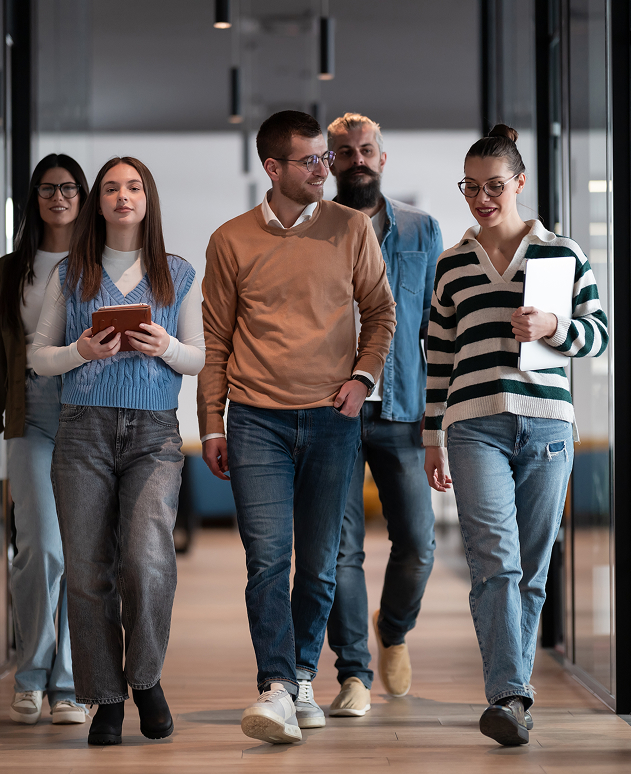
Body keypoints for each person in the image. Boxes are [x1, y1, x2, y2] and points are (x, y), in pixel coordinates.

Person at [198, 110, 396, 744]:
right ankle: (277, 685)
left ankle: (306, 673)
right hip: (256, 420)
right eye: (310, 160)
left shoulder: (351, 228)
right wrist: (211, 423)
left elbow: (381, 313)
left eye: (324, 157)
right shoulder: (231, 239)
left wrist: (362, 379)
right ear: (273, 168)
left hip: (332, 420)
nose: (325, 167)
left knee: (317, 565)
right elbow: (215, 339)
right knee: (267, 560)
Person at [423, 125, 608, 746]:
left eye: (493, 186)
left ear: (519, 184)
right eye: (471, 187)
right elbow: (439, 358)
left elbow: (599, 335)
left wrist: (554, 324)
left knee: (531, 570)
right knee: (496, 562)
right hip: (474, 426)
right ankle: (507, 693)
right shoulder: (452, 264)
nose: (481, 197)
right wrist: (430, 437)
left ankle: (515, 699)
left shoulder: (564, 254)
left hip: (549, 425)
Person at [30, 156, 203, 746]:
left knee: (146, 560)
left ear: (147, 199)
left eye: (132, 187)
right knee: (86, 570)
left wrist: (166, 346)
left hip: (154, 435)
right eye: (110, 188)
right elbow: (38, 355)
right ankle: (105, 698)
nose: (122, 196)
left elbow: (201, 357)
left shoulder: (177, 273)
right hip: (82, 432)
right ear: (98, 202)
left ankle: (146, 679)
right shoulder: (71, 273)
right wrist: (79, 351)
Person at [323, 113, 442, 716]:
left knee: (419, 543)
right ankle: (353, 674)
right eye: (344, 152)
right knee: (340, 551)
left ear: (382, 157)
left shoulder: (423, 231)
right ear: (330, 162)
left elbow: (436, 335)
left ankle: (392, 629)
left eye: (366, 149)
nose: (357, 160)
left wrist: (438, 418)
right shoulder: (312, 231)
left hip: (402, 413)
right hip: (330, 413)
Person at [0, 154, 89, 727]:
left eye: (69, 187)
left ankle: (67, 685)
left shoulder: (98, 262)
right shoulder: (9, 269)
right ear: (34, 197)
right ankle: (30, 673)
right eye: (49, 188)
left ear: (82, 195)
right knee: (38, 549)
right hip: (29, 413)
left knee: (78, 553)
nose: (60, 196)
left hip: (87, 413)